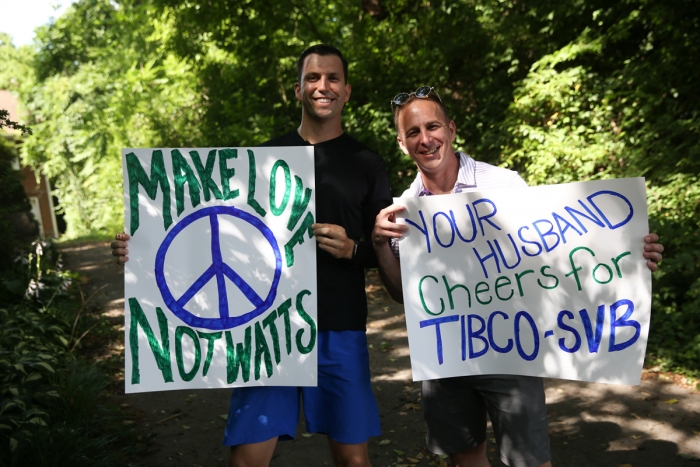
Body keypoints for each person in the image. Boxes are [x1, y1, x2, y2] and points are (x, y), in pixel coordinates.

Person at [112, 45, 392, 467]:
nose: (323, 86)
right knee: (247, 460)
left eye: (332, 78)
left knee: (354, 460)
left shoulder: (367, 163)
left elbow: (386, 247)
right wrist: (141, 248)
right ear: (297, 90)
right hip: (267, 328)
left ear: (347, 91)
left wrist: (355, 249)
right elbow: (211, 231)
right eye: (313, 78)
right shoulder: (258, 160)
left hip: (339, 326)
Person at [371, 86, 664, 467]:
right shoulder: (403, 213)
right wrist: (380, 245)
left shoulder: (503, 185)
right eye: (413, 132)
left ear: (451, 129)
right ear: (401, 142)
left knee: (529, 462)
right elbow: (400, 296)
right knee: (465, 460)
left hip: (512, 349)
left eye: (433, 126)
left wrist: (627, 254)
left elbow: (553, 255)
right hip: (446, 357)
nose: (425, 139)